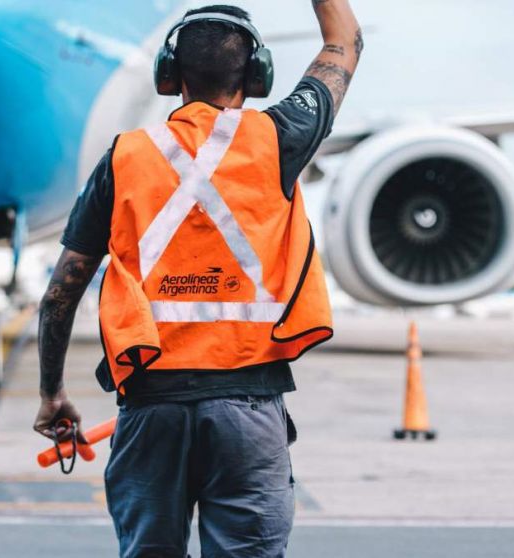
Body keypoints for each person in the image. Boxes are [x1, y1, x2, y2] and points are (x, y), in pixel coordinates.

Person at [34, 2, 362, 556]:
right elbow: (344, 42)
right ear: (257, 75)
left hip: (149, 410)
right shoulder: (280, 138)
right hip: (247, 412)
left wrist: (53, 394)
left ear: (169, 75)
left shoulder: (125, 158)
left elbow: (61, 293)